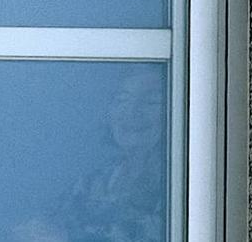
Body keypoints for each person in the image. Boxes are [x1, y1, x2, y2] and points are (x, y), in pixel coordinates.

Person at [10, 67, 168, 242]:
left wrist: (70, 236)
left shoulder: (175, 182)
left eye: (151, 102)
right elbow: (51, 218)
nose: (132, 112)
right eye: (122, 99)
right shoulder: (97, 181)